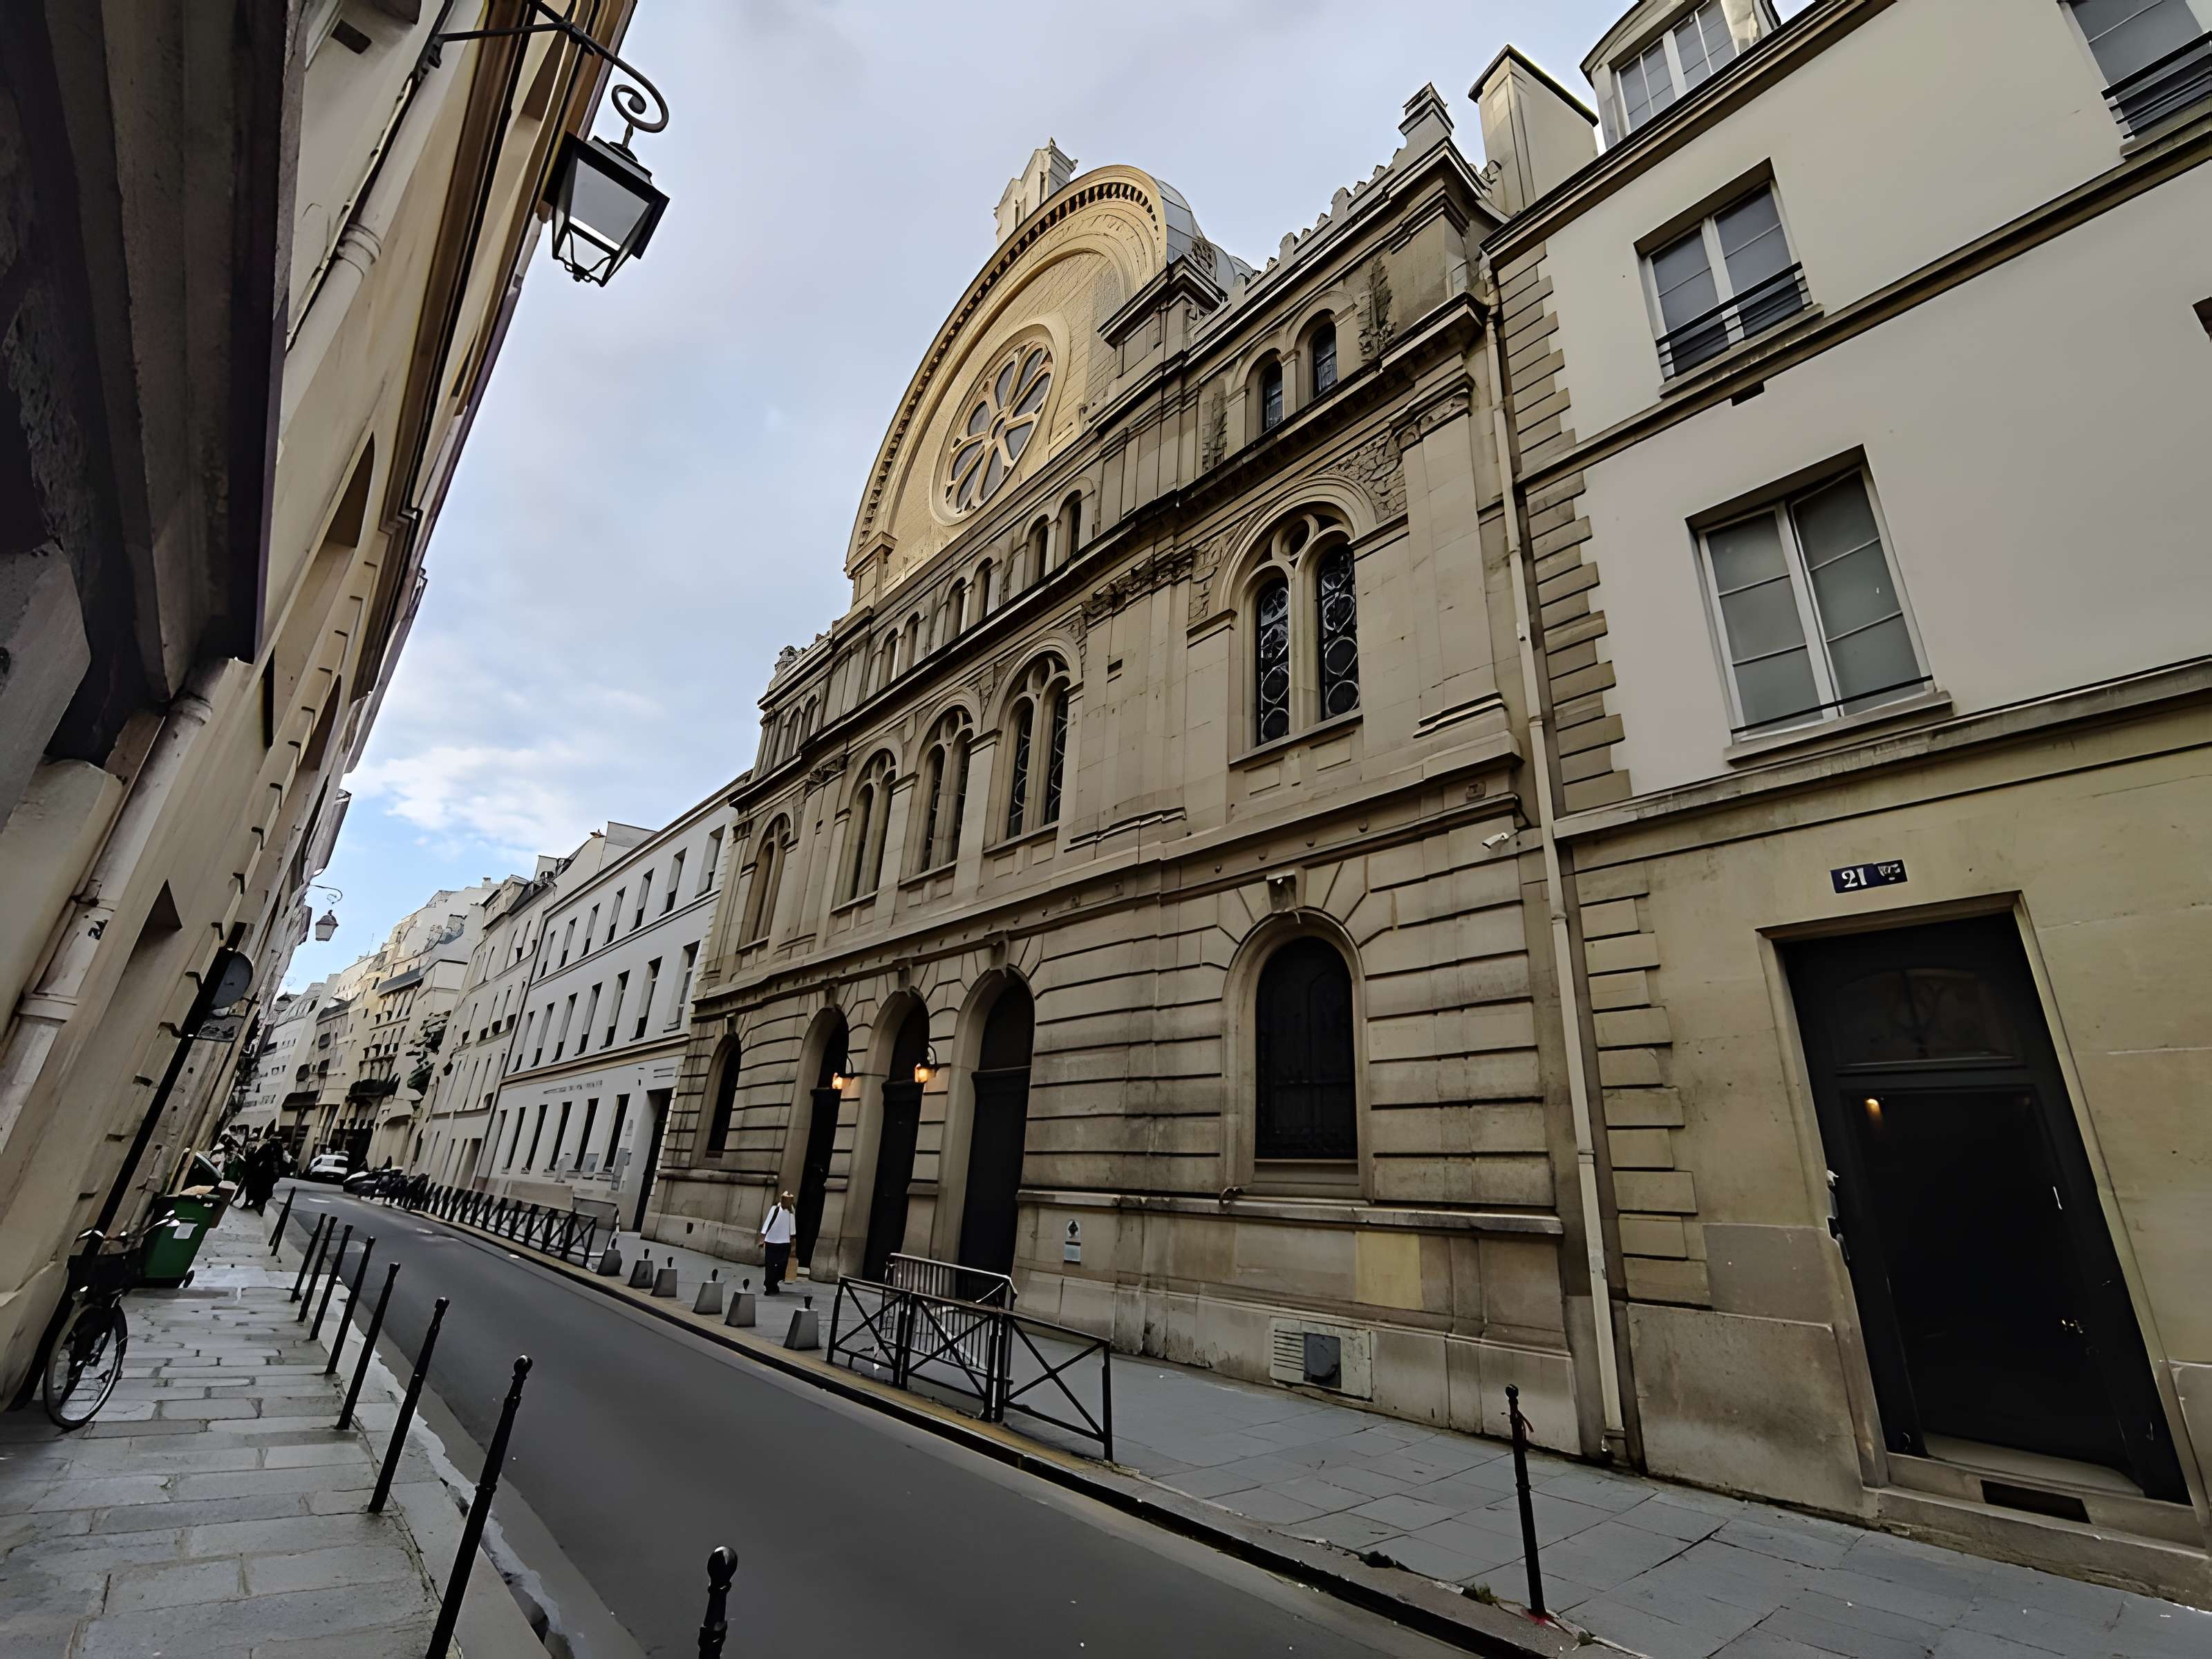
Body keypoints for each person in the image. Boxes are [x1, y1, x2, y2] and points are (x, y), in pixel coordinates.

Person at [760, 1190, 798, 1295]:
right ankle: (769, 1286)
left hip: (785, 1242)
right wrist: (763, 1237)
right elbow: (768, 1222)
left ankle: (774, 1283)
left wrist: (793, 1241)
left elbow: (792, 1227)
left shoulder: (791, 1212)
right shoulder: (775, 1209)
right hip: (771, 1240)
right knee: (770, 1265)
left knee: (782, 1265)